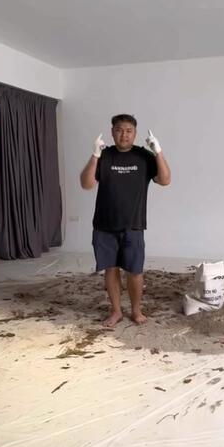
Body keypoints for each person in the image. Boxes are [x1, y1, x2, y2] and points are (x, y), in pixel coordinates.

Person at [80, 114, 171, 326]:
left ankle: (136, 310)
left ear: (135, 133)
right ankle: (116, 311)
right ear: (112, 132)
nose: (124, 135)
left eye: (129, 131)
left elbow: (165, 180)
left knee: (135, 271)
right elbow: (86, 184)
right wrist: (95, 155)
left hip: (133, 226)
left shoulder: (144, 156)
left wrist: (158, 152)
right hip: (104, 225)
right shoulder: (105, 155)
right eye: (119, 130)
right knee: (110, 269)